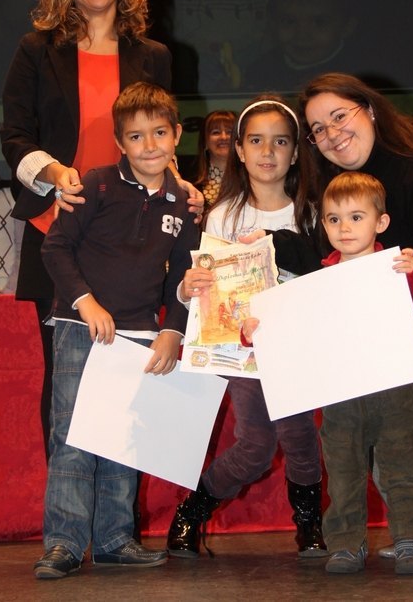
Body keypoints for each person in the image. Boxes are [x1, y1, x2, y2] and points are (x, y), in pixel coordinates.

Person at [265, 72, 413, 565]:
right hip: (405, 320)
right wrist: (263, 247)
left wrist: (407, 354)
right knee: (383, 401)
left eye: (338, 116)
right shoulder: (347, 186)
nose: (331, 134)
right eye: (317, 129)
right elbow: (325, 257)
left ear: (368, 109)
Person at [0, 0, 202, 458]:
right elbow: (14, 136)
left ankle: (116, 506)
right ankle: (66, 508)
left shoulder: (153, 54)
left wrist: (179, 185)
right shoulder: (36, 51)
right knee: (65, 379)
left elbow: (158, 135)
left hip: (134, 238)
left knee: (126, 377)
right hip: (59, 229)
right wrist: (53, 174)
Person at [33, 81, 199, 579]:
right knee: (73, 435)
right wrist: (85, 302)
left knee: (122, 437)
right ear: (119, 142)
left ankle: (113, 540)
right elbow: (54, 248)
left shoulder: (183, 203)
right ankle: (63, 543)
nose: (149, 145)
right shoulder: (96, 185)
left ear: (177, 135)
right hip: (80, 327)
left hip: (140, 334)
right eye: (135, 136)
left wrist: (173, 330)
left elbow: (186, 274)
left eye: (160, 133)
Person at [243, 170, 413, 574]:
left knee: (402, 466)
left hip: (395, 389)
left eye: (356, 217)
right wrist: (254, 332)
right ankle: (347, 544)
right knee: (343, 472)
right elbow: (290, 327)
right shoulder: (318, 281)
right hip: (340, 396)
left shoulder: (396, 268)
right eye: (334, 219)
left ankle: (408, 539)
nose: (344, 228)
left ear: (381, 222)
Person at [166, 97, 326, 559]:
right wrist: (188, 288)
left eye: (280, 142)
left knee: (301, 438)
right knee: (256, 445)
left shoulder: (311, 212)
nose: (267, 152)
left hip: (295, 347)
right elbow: (206, 284)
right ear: (238, 149)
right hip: (244, 351)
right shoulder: (224, 216)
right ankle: (191, 512)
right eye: (256, 140)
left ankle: (309, 525)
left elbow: (323, 276)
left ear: (295, 152)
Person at [243, 0, 360, 93]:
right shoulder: (261, 71)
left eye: (319, 22)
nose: (302, 35)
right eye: (289, 21)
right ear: (273, 24)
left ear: (347, 26)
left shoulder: (358, 74)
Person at [194, 110, 236, 206]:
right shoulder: (191, 182)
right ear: (205, 141)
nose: (224, 137)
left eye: (229, 132)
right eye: (216, 132)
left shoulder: (251, 178)